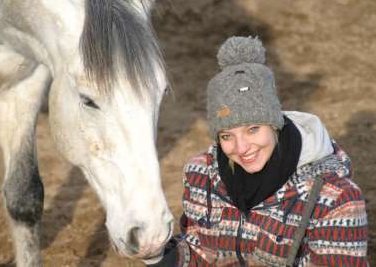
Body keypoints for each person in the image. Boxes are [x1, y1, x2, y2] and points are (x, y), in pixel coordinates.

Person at [143, 36, 368, 266]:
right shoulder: (201, 176)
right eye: (226, 135)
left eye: (252, 129)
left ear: (274, 123)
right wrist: (159, 256)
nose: (241, 148)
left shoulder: (334, 198)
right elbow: (201, 254)